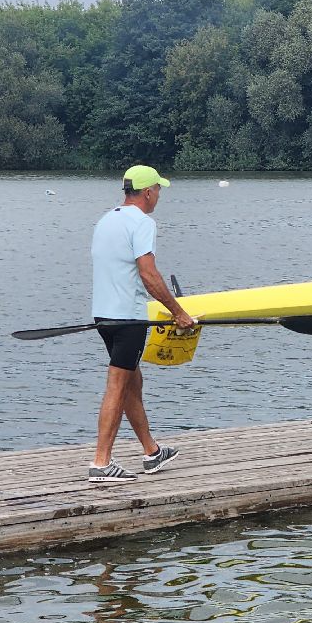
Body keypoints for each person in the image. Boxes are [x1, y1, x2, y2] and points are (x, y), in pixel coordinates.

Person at [87, 164, 197, 485]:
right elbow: (148, 274)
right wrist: (178, 312)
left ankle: (152, 452)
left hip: (103, 316)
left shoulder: (106, 220)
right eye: (158, 190)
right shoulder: (142, 223)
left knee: (132, 383)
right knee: (118, 386)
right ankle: (101, 463)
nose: (159, 195)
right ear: (148, 192)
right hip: (129, 318)